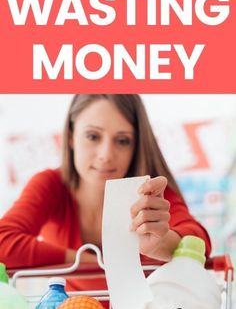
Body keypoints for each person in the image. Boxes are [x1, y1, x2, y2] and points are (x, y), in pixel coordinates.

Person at [0, 95, 211, 291]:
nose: (106, 155)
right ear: (72, 137)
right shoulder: (51, 185)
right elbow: (3, 242)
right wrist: (93, 262)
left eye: (122, 141)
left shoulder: (150, 191)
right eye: (92, 136)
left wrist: (162, 243)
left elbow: (199, 241)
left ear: (135, 146)